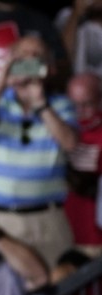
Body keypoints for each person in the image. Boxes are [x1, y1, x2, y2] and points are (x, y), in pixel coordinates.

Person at [0, 35, 78, 269]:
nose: (30, 61)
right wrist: (1, 81)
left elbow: (70, 144)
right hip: (2, 221)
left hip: (48, 220)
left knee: (58, 294)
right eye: (22, 56)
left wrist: (40, 104)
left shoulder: (60, 105)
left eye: (38, 57)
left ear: (50, 68)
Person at [64, 72, 102, 256]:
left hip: (96, 234)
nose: (80, 112)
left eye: (87, 104)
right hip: (64, 232)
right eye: (74, 105)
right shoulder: (60, 128)